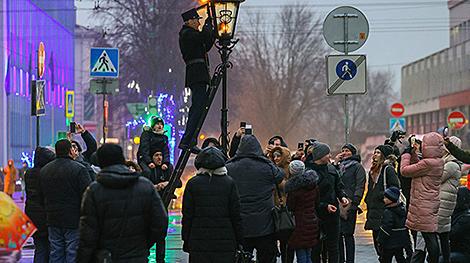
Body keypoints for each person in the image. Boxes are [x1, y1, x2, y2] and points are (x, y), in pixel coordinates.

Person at [77, 144, 168, 263]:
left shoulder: (94, 191)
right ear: (122, 159)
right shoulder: (145, 186)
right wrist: (145, 244)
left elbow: (88, 232)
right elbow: (160, 222)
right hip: (137, 254)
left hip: (107, 256)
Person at [226, 134, 285, 263]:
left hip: (241, 225)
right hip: (265, 225)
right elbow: (280, 175)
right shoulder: (266, 167)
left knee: (241, 257)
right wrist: (266, 158)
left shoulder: (230, 167)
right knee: (266, 257)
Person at [182, 147, 243, 262]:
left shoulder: (193, 184)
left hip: (199, 240)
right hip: (225, 240)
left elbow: (187, 215)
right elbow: (236, 214)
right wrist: (239, 239)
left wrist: (186, 239)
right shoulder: (229, 183)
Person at [39, 139, 92, 263]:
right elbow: (87, 194)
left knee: (56, 251)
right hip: (73, 217)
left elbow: (42, 195)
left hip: (52, 217)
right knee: (72, 252)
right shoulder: (79, 169)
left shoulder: (45, 170)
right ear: (70, 150)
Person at [400, 132, 445, 263]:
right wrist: (413, 154)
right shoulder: (436, 162)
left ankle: (433, 260)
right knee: (428, 235)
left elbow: (405, 171)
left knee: (429, 236)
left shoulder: (428, 164)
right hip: (428, 201)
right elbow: (416, 166)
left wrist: (406, 154)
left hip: (424, 203)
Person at [178, 8, 215, 150]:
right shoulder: (187, 34)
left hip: (199, 74)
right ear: (190, 21)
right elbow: (203, 38)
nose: (199, 24)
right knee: (197, 107)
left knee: (199, 107)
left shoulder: (191, 34)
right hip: (197, 74)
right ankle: (188, 140)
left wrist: (210, 29)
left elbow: (206, 44)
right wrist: (208, 26)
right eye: (197, 21)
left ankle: (190, 139)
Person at [305, 142, 348, 263]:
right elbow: (309, 197)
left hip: (333, 214)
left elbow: (339, 187)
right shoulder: (309, 173)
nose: (330, 156)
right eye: (327, 154)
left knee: (333, 246)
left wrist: (343, 197)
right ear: (320, 156)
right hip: (315, 215)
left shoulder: (331, 169)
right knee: (316, 246)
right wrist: (324, 206)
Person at [364, 145, 401, 260]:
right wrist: (368, 200)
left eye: (378, 153)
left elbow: (395, 188)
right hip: (374, 212)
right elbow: (370, 189)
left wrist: (380, 195)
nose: (375, 155)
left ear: (384, 156)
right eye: (375, 152)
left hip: (384, 211)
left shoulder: (387, 169)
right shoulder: (373, 170)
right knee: (378, 245)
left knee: (386, 247)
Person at [333, 143, 366, 263]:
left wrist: (356, 202)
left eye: (347, 150)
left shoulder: (357, 167)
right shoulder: (339, 166)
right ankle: (341, 259)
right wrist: (336, 162)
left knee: (348, 234)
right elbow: (333, 177)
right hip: (337, 203)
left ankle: (350, 260)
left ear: (353, 153)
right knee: (338, 234)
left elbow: (360, 185)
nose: (344, 153)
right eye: (343, 150)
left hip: (350, 204)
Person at [284, 161, 320, 263]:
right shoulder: (313, 185)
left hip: (299, 222)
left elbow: (290, 207)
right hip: (312, 220)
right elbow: (317, 202)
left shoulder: (293, 189)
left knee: (300, 251)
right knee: (308, 251)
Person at [24, 147, 55, 263]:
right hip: (45, 214)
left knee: (39, 247)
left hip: (32, 216)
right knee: (47, 247)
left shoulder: (29, 174)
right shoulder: (46, 174)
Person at [437, 136, 462, 263]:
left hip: (443, 203)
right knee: (442, 235)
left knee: (439, 235)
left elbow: (437, 178)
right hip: (443, 202)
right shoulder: (448, 162)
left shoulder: (451, 164)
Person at [268, 146, 294, 263]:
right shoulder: (270, 168)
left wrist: (279, 180)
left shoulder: (289, 169)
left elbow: (289, 186)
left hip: (285, 207)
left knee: (286, 241)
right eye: (274, 156)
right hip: (273, 206)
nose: (276, 158)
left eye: (278, 156)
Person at [377, 187, 409, 263]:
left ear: (391, 199)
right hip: (400, 242)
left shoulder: (388, 212)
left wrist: (380, 240)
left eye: (385, 197)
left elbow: (385, 228)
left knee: (385, 259)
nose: (383, 199)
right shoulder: (402, 210)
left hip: (389, 243)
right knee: (400, 257)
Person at [449, 187, 470, 262]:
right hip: (457, 250)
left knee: (443, 259)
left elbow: (452, 233)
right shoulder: (459, 213)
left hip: (464, 253)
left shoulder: (466, 218)